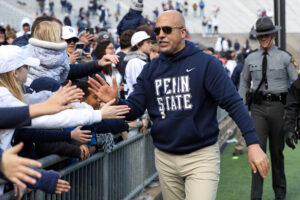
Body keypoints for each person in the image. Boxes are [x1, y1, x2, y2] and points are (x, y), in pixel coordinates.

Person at [88, 10, 270, 200]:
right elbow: (134, 109)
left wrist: (253, 143)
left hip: (201, 156)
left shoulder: (206, 63)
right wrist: (116, 101)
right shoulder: (151, 70)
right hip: (165, 158)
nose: (160, 35)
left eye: (166, 29)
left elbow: (233, 103)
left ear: (183, 32)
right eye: (156, 31)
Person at [239, 17, 298, 200]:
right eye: (260, 35)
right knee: (257, 152)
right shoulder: (250, 59)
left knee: (277, 153)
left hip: (279, 109)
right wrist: (241, 108)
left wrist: (293, 115)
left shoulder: (285, 57)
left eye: (266, 34)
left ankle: (280, 195)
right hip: (258, 109)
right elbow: (243, 83)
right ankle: (256, 196)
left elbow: (296, 86)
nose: (263, 38)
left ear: (273, 34)